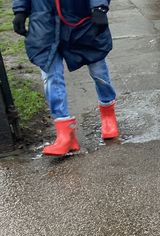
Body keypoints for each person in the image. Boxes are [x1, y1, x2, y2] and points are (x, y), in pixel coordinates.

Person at [12, 0, 119, 156]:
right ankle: (65, 133)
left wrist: (99, 8)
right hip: (44, 24)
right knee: (51, 77)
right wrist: (20, 10)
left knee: (98, 71)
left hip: (81, 21)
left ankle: (108, 113)